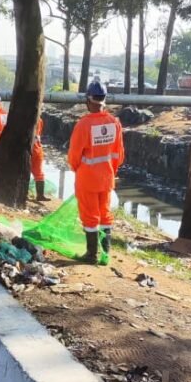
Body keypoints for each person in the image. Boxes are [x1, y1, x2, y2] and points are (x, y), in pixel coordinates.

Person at [67, 80, 124, 265]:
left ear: (88, 101)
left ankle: (91, 254)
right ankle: (105, 254)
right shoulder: (114, 123)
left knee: (90, 216)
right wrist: (111, 170)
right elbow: (119, 154)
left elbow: (74, 155)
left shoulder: (83, 125)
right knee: (105, 214)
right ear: (104, 100)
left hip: (87, 179)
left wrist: (77, 169)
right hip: (107, 178)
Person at [31, 117, 51, 202]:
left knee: (38, 173)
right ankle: (40, 195)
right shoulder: (39, 120)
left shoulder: (38, 120)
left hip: (34, 149)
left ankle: (40, 195)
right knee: (38, 173)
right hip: (37, 149)